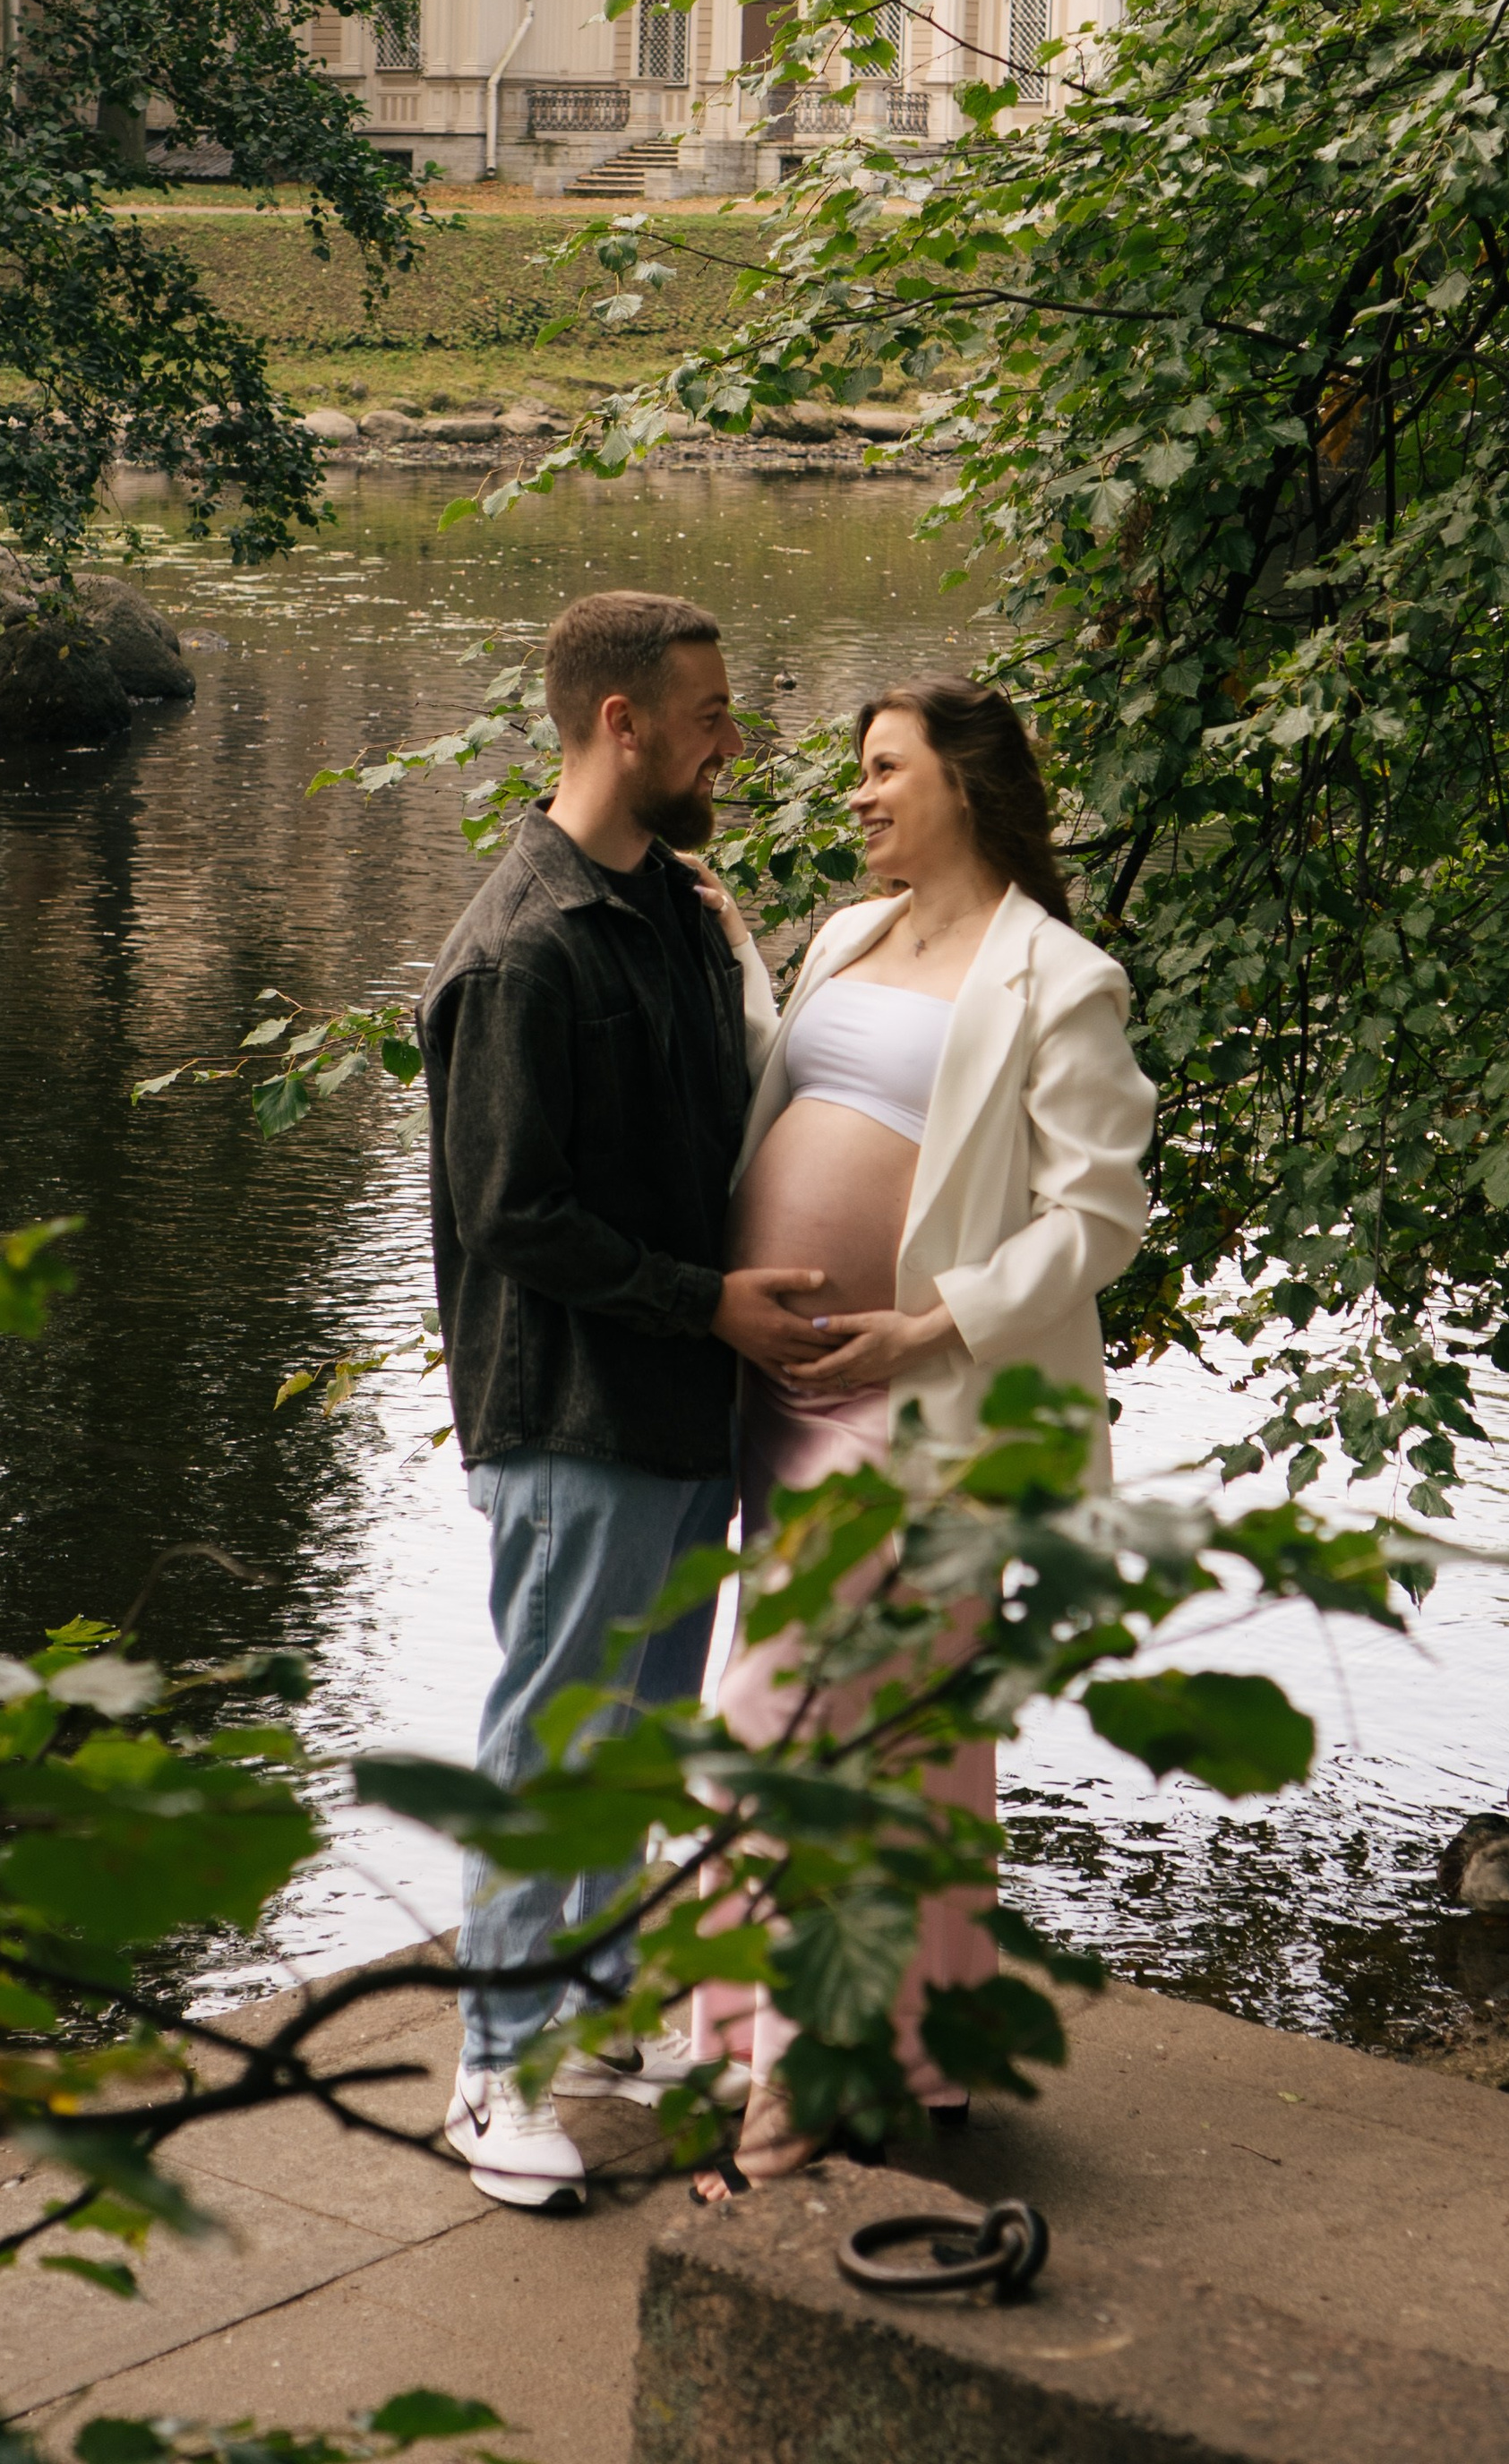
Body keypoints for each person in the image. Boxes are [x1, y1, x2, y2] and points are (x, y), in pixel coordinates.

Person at [689, 676, 1157, 2194]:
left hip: (918, 1399)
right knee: (920, 1739)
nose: (861, 797)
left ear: (965, 781)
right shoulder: (848, 934)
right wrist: (726, 946)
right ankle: (919, 2049)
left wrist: (934, 1319)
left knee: (787, 1723)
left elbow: (1101, 1215)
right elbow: (800, 1079)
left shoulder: (1061, 978)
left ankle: (791, 2093)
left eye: (885, 771)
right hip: (784, 1393)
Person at [418, 589, 830, 2214]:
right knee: (553, 1733)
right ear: (620, 723)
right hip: (575, 1409)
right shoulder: (523, 946)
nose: (736, 736)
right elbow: (512, 1211)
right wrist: (704, 1302)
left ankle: (589, 2003)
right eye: (713, 712)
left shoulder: (665, 898)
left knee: (641, 1729)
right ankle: (489, 2071)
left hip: (676, 1406)